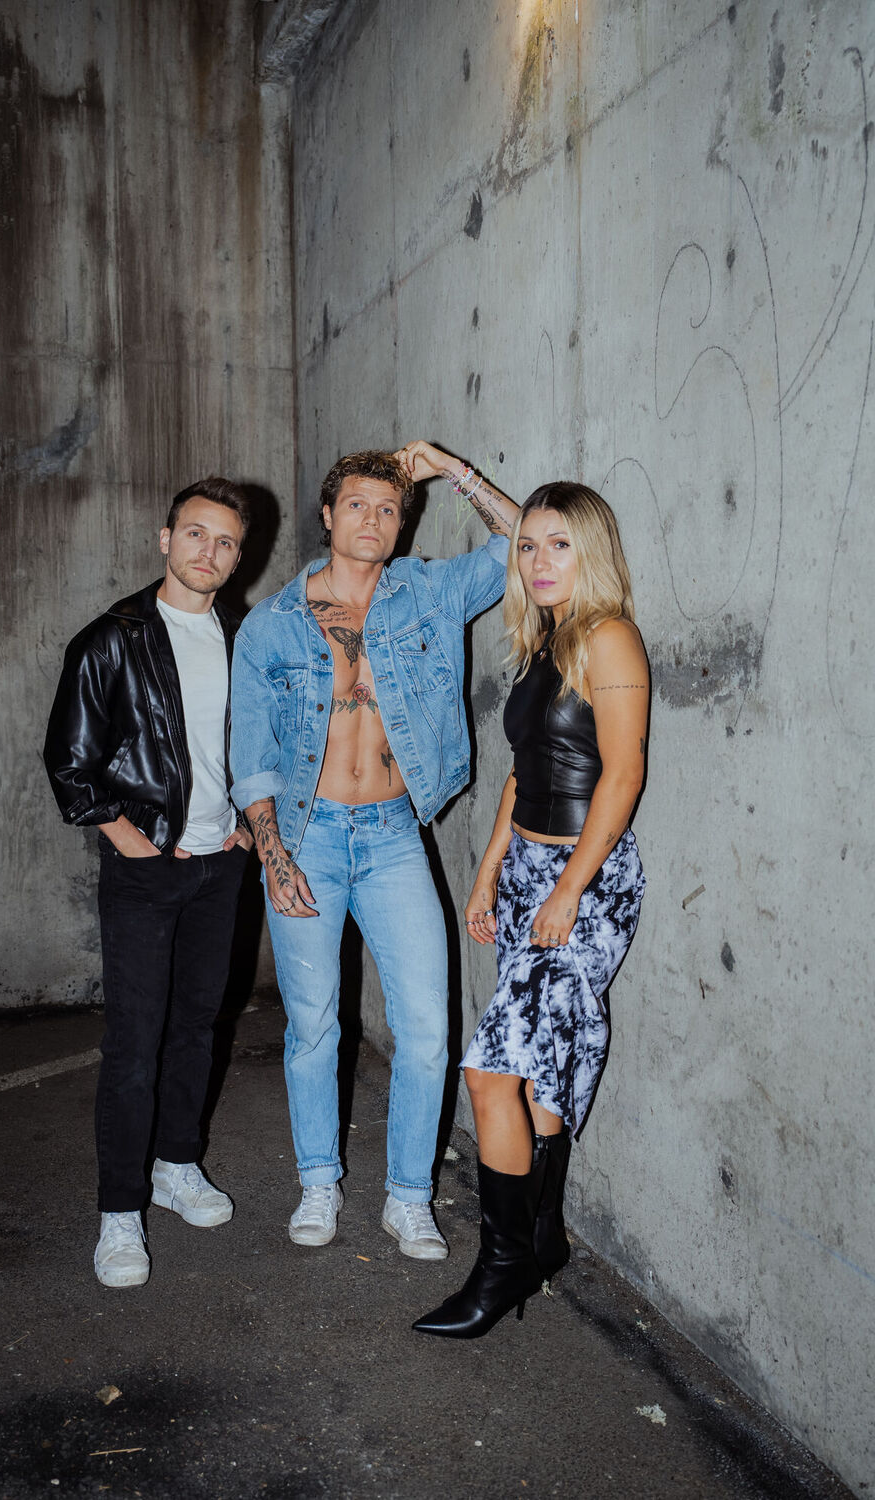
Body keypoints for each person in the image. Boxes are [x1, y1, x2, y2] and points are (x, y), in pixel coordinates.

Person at [229, 444, 519, 1257]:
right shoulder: (272, 624)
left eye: (389, 508)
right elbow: (251, 753)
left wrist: (452, 471)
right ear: (327, 516)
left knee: (427, 1026)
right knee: (313, 1026)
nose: (373, 519)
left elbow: (522, 542)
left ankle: (408, 1197)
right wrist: (274, 857)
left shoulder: (428, 592)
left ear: (402, 523)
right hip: (307, 836)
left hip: (394, 836)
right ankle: (318, 1182)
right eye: (356, 504)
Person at [413, 481, 649, 1338]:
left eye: (558, 545)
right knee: (541, 1069)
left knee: (489, 1074)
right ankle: (542, 1238)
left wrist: (568, 890)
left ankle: (503, 1264)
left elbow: (622, 776)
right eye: (527, 546)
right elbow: (523, 775)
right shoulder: (546, 638)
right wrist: (488, 876)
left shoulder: (609, 636)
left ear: (592, 551)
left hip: (584, 880)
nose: (539, 561)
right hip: (529, 873)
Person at [43, 478, 254, 1288]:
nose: (209, 551)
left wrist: (246, 824)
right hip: (145, 870)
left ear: (239, 556)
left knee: (197, 1026)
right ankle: (121, 1212)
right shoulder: (113, 638)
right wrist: (129, 840)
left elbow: (259, 742)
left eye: (225, 541)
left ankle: (175, 1165)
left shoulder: (243, 637)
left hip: (219, 866)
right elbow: (69, 761)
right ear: (167, 539)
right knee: (135, 1041)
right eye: (195, 533)